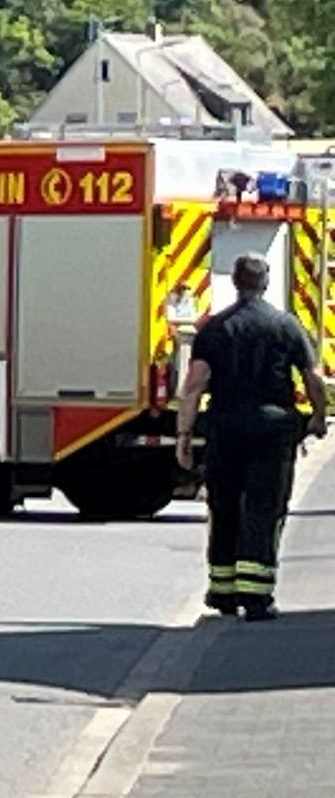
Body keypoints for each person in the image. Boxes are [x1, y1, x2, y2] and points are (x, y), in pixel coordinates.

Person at [175, 249, 321, 618]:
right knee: (264, 508)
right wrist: (318, 416)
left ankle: (222, 591)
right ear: (266, 282)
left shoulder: (216, 328)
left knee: (223, 506)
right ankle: (256, 597)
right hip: (272, 431)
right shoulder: (285, 325)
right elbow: (312, 378)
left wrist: (184, 435)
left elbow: (194, 385)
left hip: (225, 429)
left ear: (236, 283)